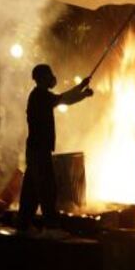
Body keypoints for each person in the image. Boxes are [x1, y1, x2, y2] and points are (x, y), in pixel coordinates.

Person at [17, 65, 93, 234]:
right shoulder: (40, 96)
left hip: (35, 150)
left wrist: (81, 87)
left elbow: (62, 98)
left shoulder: (39, 95)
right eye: (49, 75)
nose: (52, 77)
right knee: (47, 189)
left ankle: (23, 225)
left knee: (31, 191)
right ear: (42, 77)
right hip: (39, 151)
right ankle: (51, 227)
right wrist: (83, 93)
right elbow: (65, 99)